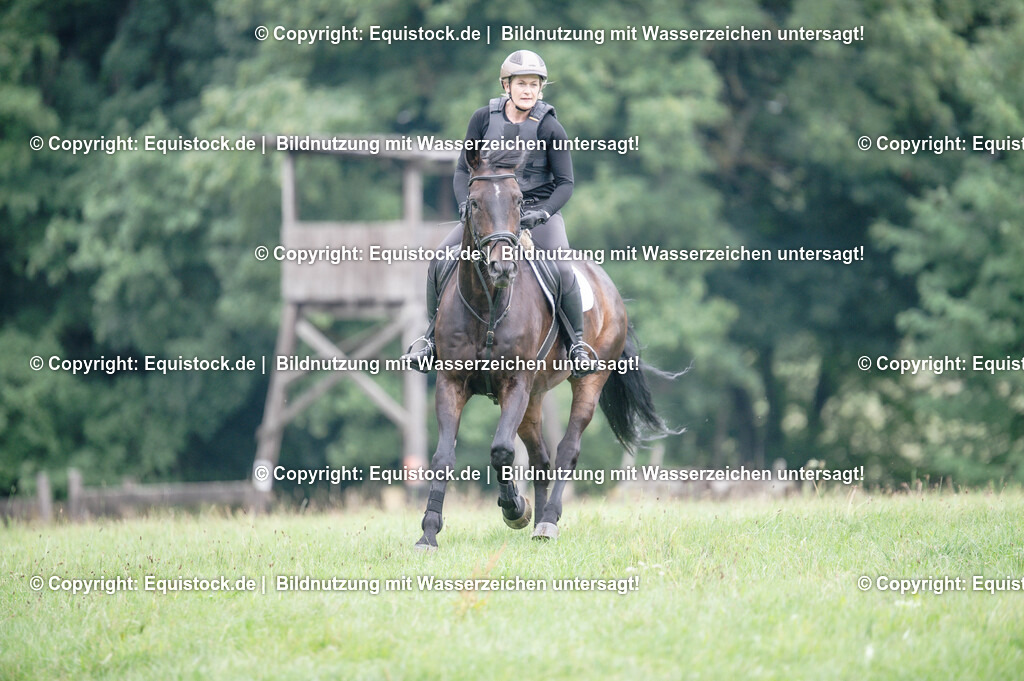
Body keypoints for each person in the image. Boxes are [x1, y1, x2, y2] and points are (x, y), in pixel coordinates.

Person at [402, 49, 595, 377]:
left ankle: (576, 344)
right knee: (440, 257)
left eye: (534, 85)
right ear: (506, 85)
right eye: (521, 84)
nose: (528, 91)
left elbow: (566, 184)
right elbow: (462, 170)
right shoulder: (482, 119)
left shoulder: (551, 128)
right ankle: (431, 340)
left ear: (541, 88)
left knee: (563, 268)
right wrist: (465, 205)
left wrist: (542, 214)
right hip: (490, 213)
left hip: (536, 213)